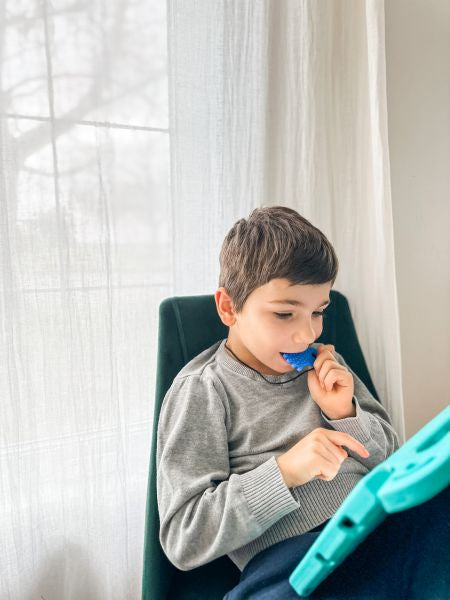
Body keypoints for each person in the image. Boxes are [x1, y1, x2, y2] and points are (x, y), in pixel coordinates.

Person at [156, 206, 449, 599]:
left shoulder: (329, 366)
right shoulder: (202, 389)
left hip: (376, 532)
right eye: (284, 314)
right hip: (292, 563)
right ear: (229, 307)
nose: (305, 334)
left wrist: (343, 413)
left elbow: (393, 465)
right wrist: (285, 471)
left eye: (318, 312)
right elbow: (184, 537)